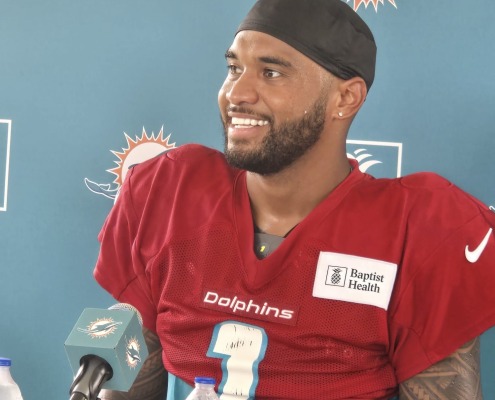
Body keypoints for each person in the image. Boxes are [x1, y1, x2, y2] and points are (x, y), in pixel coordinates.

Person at [94, 0, 495, 399]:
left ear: (345, 98)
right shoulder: (170, 191)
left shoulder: (416, 230)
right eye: (234, 68)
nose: (236, 93)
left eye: (271, 73)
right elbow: (127, 379)